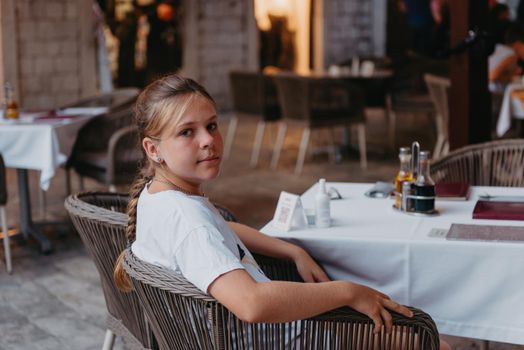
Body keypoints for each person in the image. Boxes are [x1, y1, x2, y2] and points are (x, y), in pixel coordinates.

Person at [113, 74, 450, 349]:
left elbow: (220, 229)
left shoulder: (158, 198)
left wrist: (291, 249)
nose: (208, 141)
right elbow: (252, 303)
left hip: (254, 336)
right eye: (187, 132)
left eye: (212, 126)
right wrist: (349, 291)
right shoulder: (188, 222)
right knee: (431, 342)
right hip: (293, 339)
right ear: (153, 149)